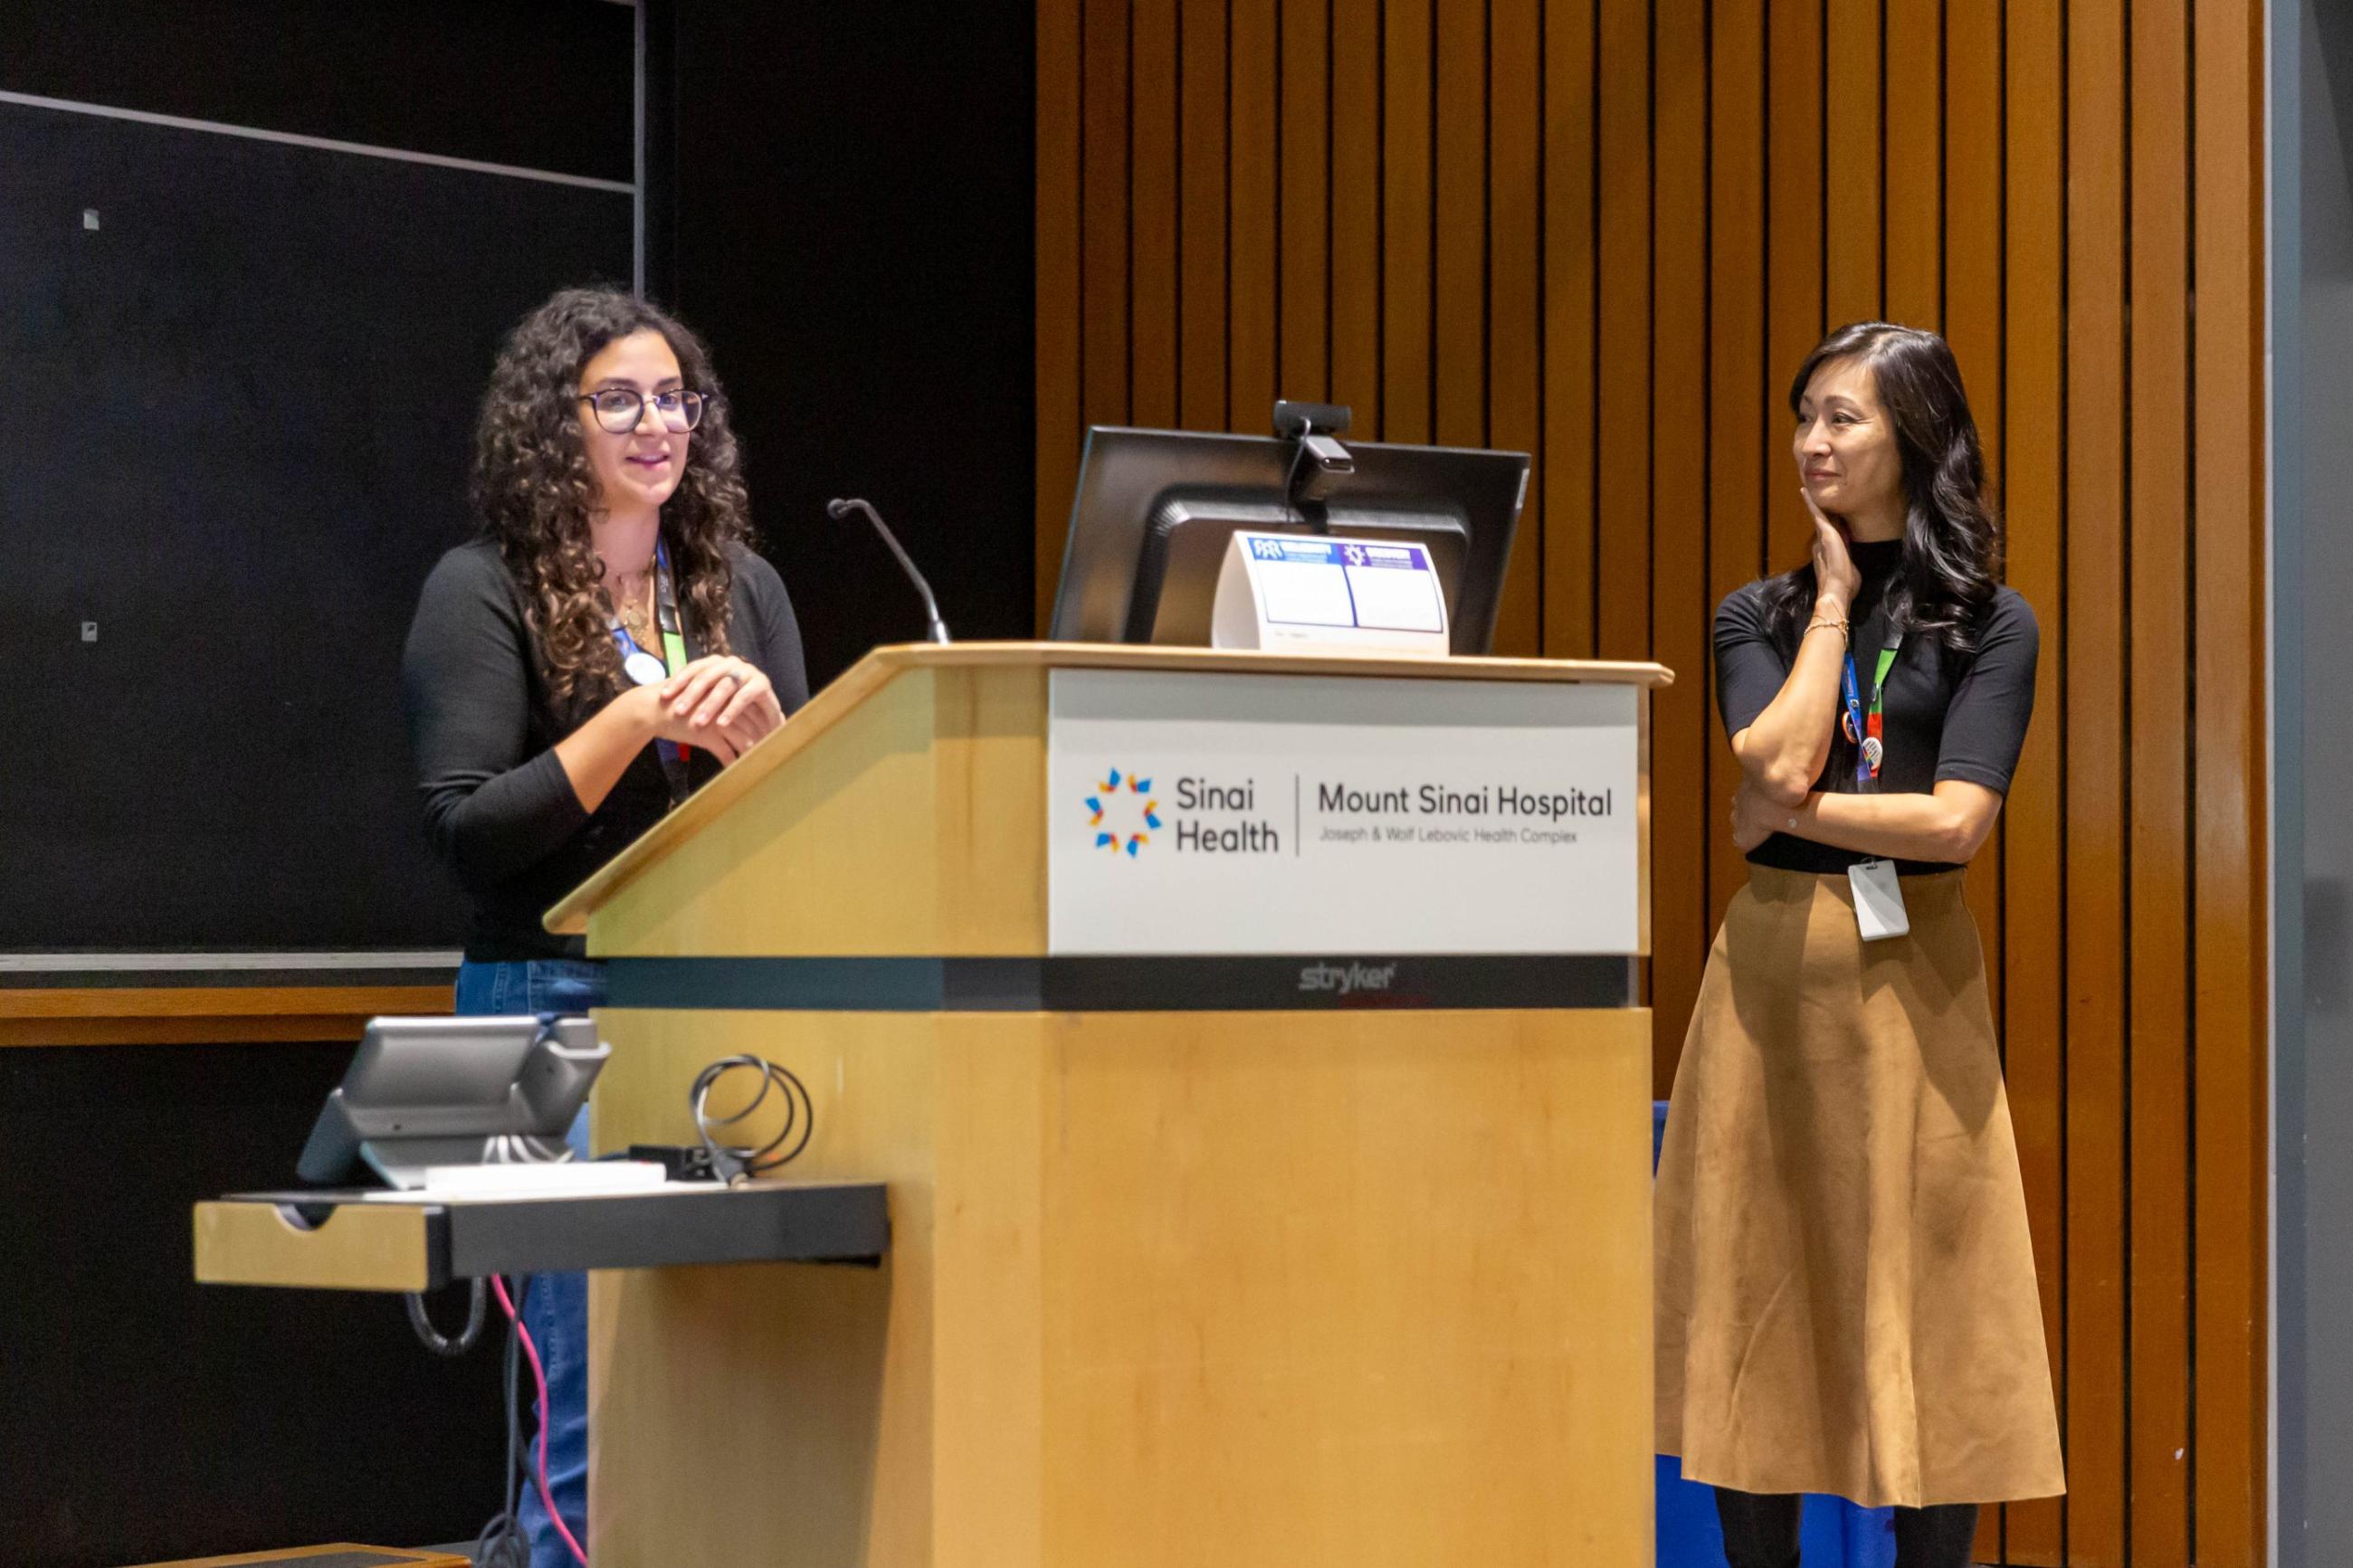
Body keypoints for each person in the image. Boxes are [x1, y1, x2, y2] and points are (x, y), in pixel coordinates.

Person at [402, 286, 810, 1565]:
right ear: (553, 423)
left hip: (712, 1015)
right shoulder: (483, 587)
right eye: (617, 399)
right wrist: (638, 718)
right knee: (586, 1398)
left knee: (713, 1376)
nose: (654, 424)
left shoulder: (741, 586)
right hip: (532, 1014)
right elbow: (467, 831)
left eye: (674, 398)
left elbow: (808, 815)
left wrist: (774, 743)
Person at [1653, 321, 2063, 1568]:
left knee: (1933, 1307)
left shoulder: (1993, 622)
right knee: (1755, 1307)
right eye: (1805, 417)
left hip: (1915, 988)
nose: (1812, 443)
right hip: (1769, 984)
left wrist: (1789, 812)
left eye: (1844, 418)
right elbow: (1766, 754)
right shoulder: (1760, 610)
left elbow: (1954, 821)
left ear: (1915, 438)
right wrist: (1831, 603)